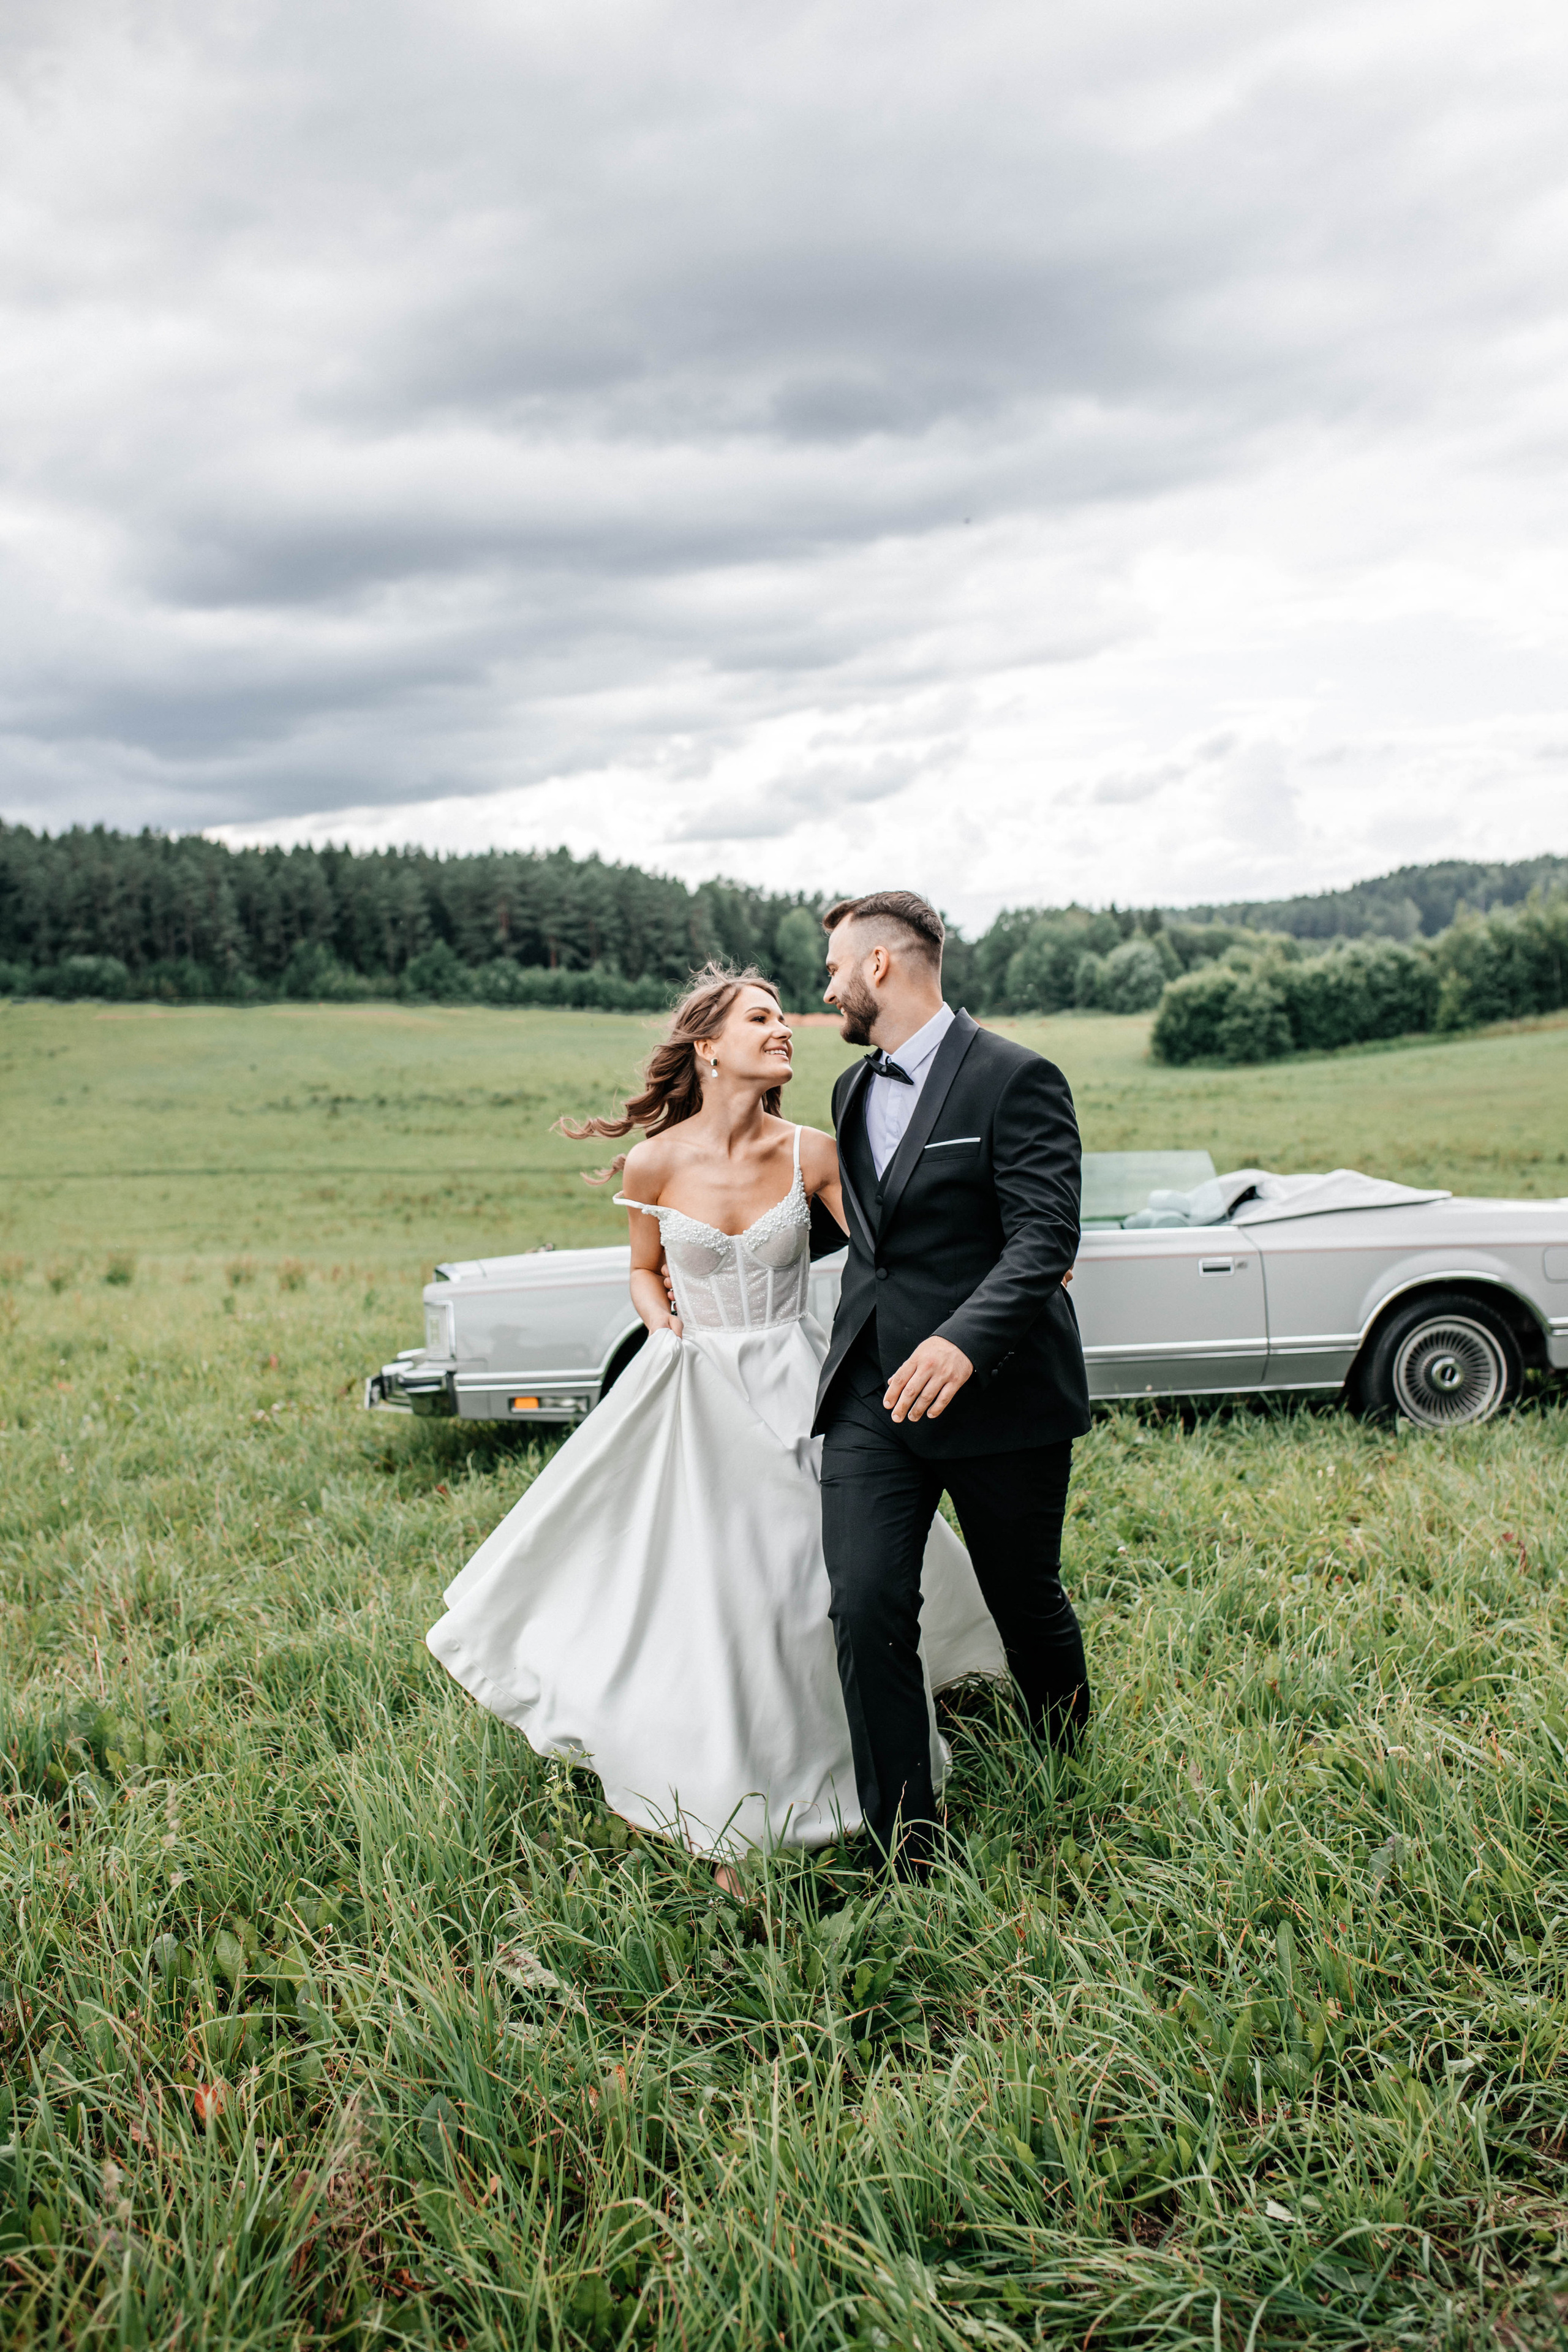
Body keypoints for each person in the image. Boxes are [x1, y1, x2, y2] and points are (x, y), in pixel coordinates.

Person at [424, 962, 1006, 1863]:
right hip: (692, 1385)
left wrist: (998, 1253)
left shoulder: (813, 1150)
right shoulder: (656, 1161)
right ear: (708, 1048)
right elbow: (645, 1268)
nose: (784, 1031)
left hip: (796, 1375)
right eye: (762, 1019)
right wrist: (661, 1323)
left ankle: (848, 1763)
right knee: (707, 1590)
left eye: (783, 1019)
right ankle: (718, 1774)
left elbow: (892, 1249)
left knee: (813, 1581)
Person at [813, 891, 1092, 1875]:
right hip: (870, 1394)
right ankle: (905, 1845)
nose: (830, 987)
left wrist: (965, 1342)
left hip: (1001, 1393)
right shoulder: (849, 1091)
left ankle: (1067, 1765)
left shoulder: (1017, 1077)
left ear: (883, 965)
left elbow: (1044, 1239)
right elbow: (864, 1229)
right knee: (867, 1603)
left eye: (838, 966)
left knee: (1026, 1598)